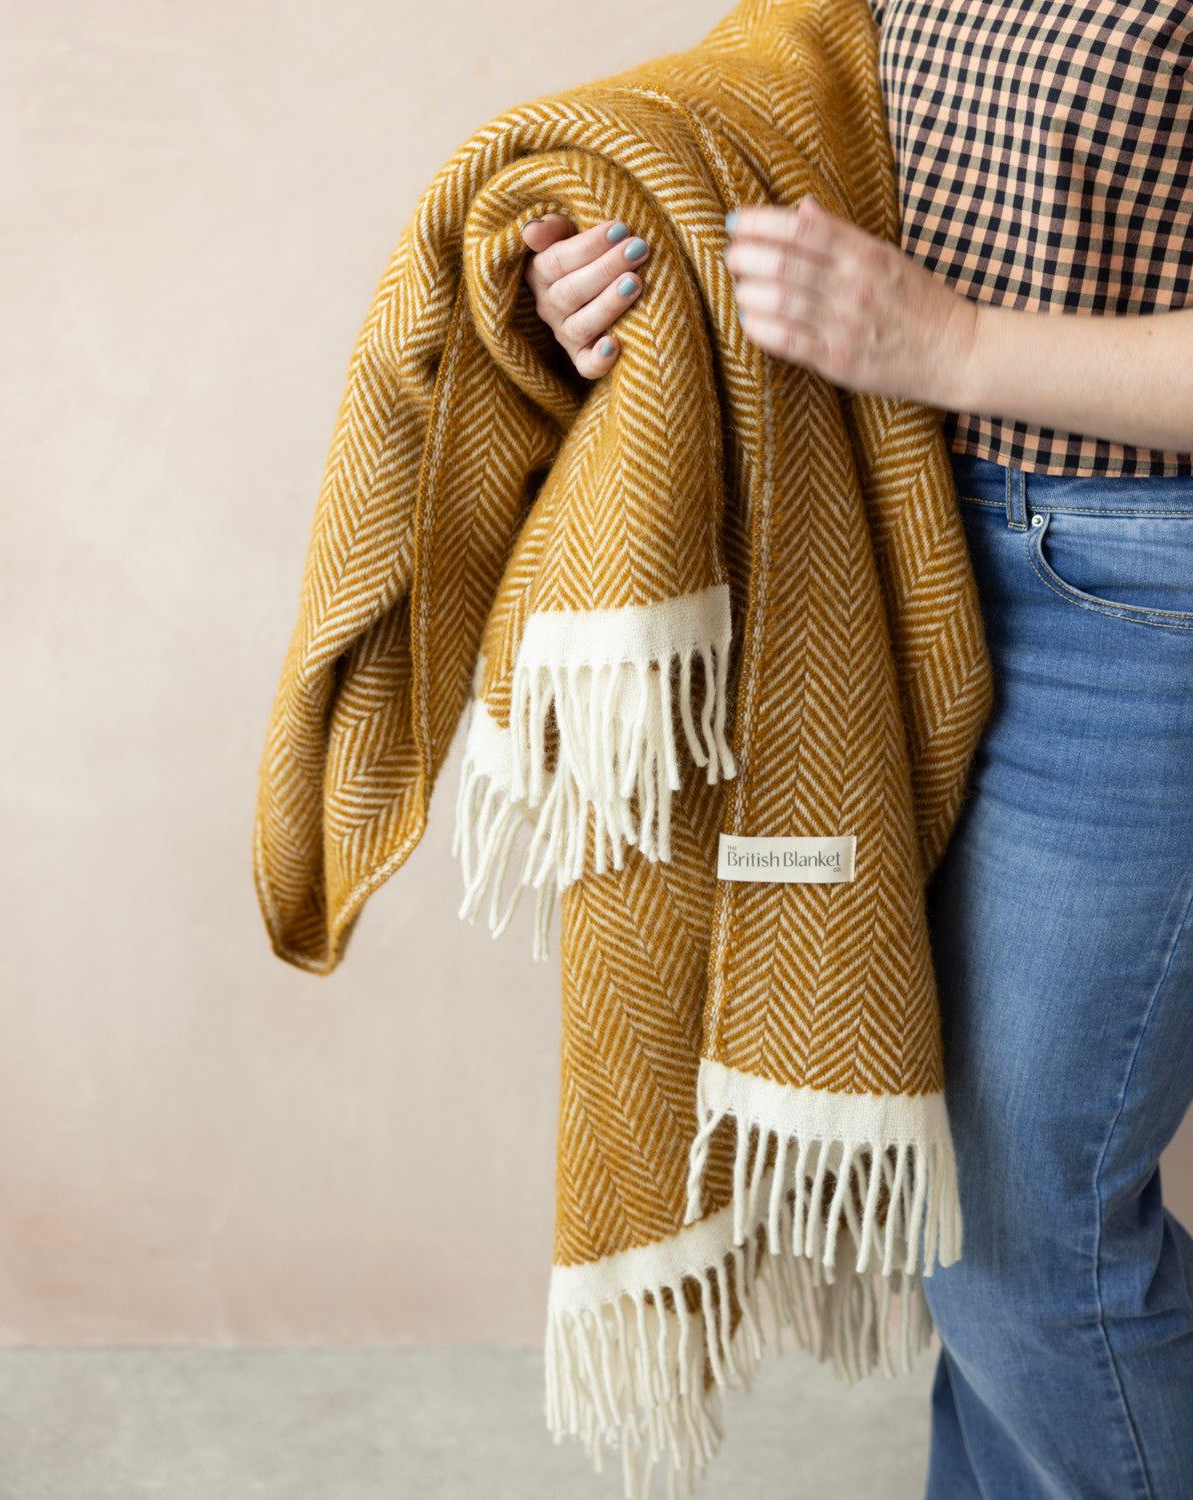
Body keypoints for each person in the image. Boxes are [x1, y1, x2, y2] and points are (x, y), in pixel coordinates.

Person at [519, 2, 1193, 1495]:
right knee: (951, 1198)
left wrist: (945, 341)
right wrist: (625, 253)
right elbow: (774, 91)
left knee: (1026, 1240)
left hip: (1141, 596)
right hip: (885, 539)